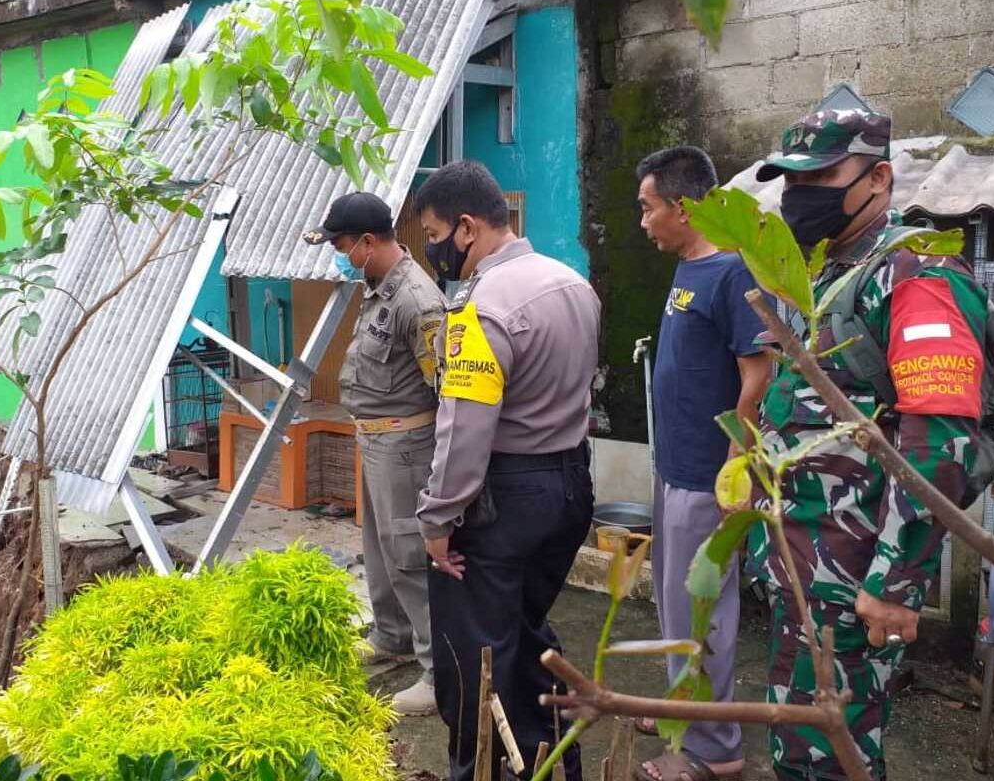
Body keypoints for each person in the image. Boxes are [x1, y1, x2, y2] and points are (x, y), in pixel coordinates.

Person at [747, 110, 985, 780]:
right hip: (805, 571)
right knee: (801, 745)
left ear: (879, 178)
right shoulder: (825, 274)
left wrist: (895, 582)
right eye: (793, 179)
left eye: (822, 176)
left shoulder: (916, 276)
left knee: (833, 755)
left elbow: (940, 444)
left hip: (855, 580)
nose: (801, 193)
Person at [414, 160, 602, 781]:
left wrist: (438, 518)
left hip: (503, 500)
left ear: (466, 228)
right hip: (570, 483)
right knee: (528, 631)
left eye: (435, 233)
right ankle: (556, 763)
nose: (434, 249)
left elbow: (465, 427)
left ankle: (484, 770)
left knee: (476, 658)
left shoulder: (481, 308)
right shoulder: (571, 282)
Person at [633, 147, 773, 781]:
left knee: (702, 612)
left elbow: (758, 376)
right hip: (676, 468)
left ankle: (711, 750)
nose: (643, 221)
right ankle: (677, 710)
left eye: (648, 207)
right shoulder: (690, 267)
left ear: (683, 209)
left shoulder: (733, 276)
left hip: (707, 480)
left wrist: (736, 470)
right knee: (673, 603)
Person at [303, 191, 446, 715]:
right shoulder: (378, 289)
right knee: (381, 549)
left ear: (367, 241)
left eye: (342, 244)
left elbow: (444, 391)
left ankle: (438, 674)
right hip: (376, 438)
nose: (340, 253)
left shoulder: (416, 299)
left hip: (407, 445)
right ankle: (393, 635)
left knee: (410, 554)